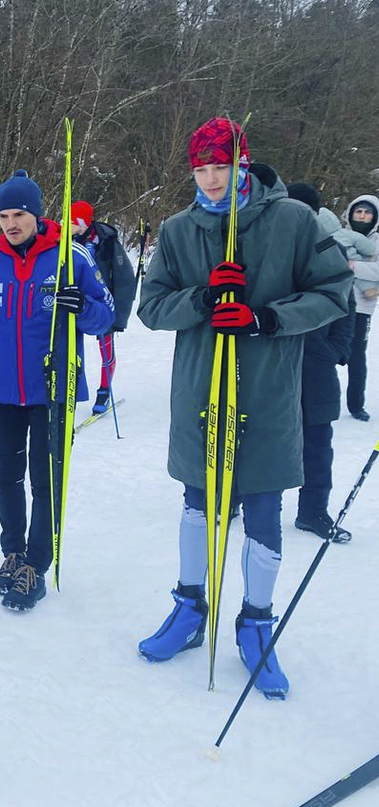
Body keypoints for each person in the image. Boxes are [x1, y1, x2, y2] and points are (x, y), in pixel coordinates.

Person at [136, 118, 351, 699]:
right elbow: (150, 307)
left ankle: (256, 623)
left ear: (243, 163)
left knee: (261, 505)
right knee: (198, 501)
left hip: (267, 391)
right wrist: (201, 299)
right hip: (200, 392)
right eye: (200, 168)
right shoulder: (180, 229)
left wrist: (268, 317)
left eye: (220, 166)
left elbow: (336, 292)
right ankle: (189, 609)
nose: (209, 180)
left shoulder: (294, 221)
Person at [0, 171, 114, 612]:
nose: (10, 223)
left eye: (18, 214)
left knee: (46, 479)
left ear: (36, 214)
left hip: (51, 389)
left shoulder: (70, 257)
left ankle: (37, 563)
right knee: (6, 476)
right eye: (3, 215)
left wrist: (84, 307)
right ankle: (13, 553)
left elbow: (107, 315)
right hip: (2, 389)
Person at [285, 183, 356, 544]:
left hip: (316, 363)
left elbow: (347, 305)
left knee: (316, 442)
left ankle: (313, 511)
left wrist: (336, 349)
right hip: (271, 362)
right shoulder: (266, 247)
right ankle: (237, 500)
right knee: (255, 435)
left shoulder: (331, 249)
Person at [71, 201, 137, 413]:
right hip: (76, 304)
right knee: (70, 348)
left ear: (82, 223)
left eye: (72, 222)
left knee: (105, 349)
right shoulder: (65, 242)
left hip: (102, 305)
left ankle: (104, 389)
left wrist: (119, 315)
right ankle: (69, 387)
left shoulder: (107, 243)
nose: (67, 225)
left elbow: (125, 279)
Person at [344, 194, 379, 421]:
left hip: (363, 307)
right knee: (325, 354)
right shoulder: (341, 236)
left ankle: (356, 404)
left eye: (367, 212)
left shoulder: (377, 241)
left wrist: (351, 265)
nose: (362, 216)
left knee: (357, 357)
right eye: (359, 211)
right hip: (335, 302)